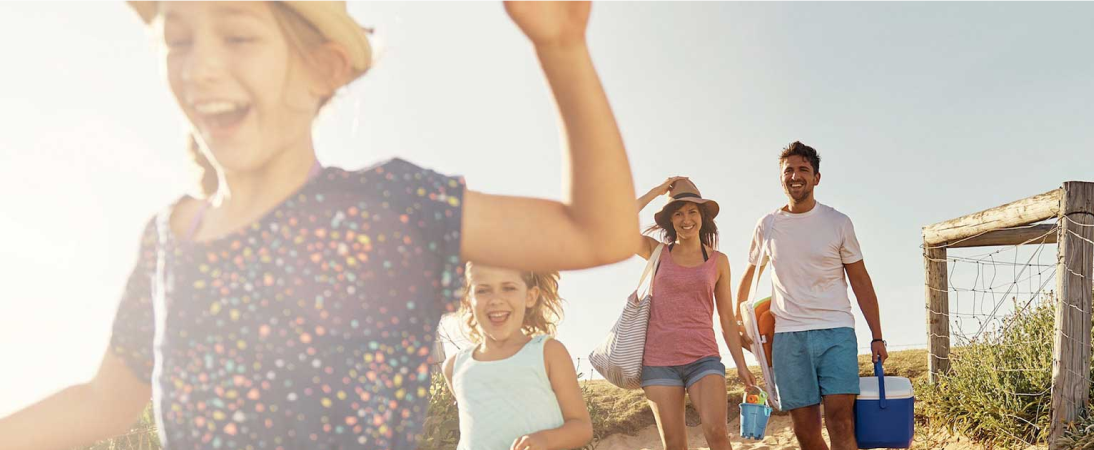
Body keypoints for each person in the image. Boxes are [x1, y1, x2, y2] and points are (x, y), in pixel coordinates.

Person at [0, 0, 639, 449]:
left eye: (238, 35)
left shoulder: (390, 209)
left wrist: (562, 46)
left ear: (322, 69)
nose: (200, 67)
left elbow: (599, 232)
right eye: (179, 40)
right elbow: (102, 402)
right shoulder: (170, 240)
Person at [736, 141, 887, 450]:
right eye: (788, 170)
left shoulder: (838, 222)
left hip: (836, 331)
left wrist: (877, 335)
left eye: (803, 169)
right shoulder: (767, 226)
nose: (795, 175)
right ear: (780, 178)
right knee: (805, 429)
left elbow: (860, 280)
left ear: (816, 178)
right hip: (788, 336)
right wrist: (740, 325)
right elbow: (750, 276)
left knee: (840, 420)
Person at [635, 176, 755, 450]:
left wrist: (741, 365)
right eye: (677, 213)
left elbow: (726, 318)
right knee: (675, 445)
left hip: (704, 358)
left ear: (702, 216)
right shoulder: (656, 252)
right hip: (659, 362)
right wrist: (656, 192)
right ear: (670, 220)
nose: (685, 219)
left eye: (691, 211)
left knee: (717, 433)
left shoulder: (718, 261)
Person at [443, 264, 589, 450]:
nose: (496, 299)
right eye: (483, 290)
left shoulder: (547, 352)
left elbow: (582, 427)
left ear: (530, 296)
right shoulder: (455, 367)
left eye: (509, 288)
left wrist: (546, 440)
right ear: (467, 300)